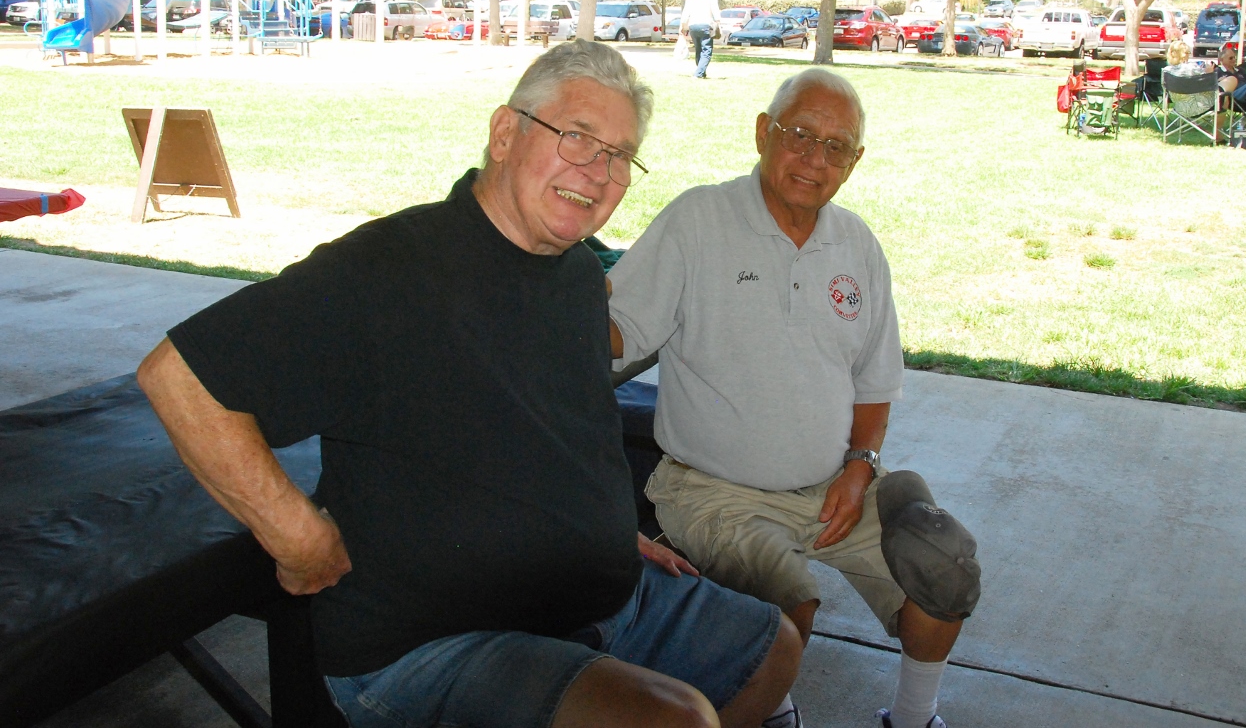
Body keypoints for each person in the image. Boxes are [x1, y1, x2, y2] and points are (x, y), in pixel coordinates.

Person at [136, 40, 801, 728]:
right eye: (577, 138)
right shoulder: (391, 270)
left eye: (620, 155)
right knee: (671, 719)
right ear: (506, 133)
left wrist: (603, 528)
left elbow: (541, 425)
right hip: (433, 641)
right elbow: (179, 379)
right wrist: (297, 535)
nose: (598, 171)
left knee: (772, 648)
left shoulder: (575, 278)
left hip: (597, 599)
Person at [607, 69, 981, 728]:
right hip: (715, 489)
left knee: (941, 559)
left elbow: (875, 379)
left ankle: (915, 717)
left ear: (856, 161)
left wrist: (861, 463)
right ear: (762, 132)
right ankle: (772, 712)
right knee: (785, 605)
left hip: (834, 483)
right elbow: (614, 334)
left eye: (837, 146)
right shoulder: (699, 220)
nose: (815, 158)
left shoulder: (857, 244)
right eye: (799, 134)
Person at [681, 0, 721, 79]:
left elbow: (686, 12)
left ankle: (701, 72)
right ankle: (698, 73)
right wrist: (718, 22)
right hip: (706, 25)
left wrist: (683, 26)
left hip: (693, 26)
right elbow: (715, 10)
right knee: (707, 50)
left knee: (698, 50)